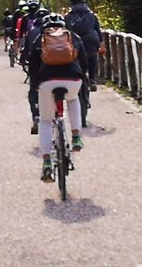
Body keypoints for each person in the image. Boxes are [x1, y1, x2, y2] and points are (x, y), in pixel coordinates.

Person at [27, 12, 88, 182]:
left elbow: (32, 66)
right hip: (73, 79)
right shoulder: (72, 36)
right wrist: (83, 76)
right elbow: (84, 60)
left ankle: (47, 163)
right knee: (73, 99)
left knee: (46, 121)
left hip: (47, 82)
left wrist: (34, 86)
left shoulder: (39, 39)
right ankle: (76, 136)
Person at [19, 7, 50, 134]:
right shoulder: (54, 31)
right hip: (55, 67)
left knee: (33, 91)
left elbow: (27, 48)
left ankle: (36, 115)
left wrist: (22, 60)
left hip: (36, 66)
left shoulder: (32, 30)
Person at [65, 0, 103, 91]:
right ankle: (92, 80)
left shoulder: (68, 16)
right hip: (91, 41)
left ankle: (78, 79)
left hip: (74, 41)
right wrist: (101, 44)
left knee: (76, 59)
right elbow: (97, 29)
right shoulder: (91, 15)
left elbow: (65, 30)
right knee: (92, 58)